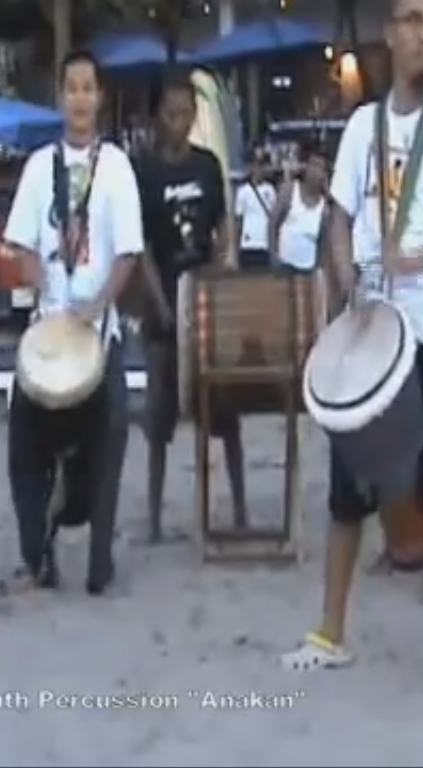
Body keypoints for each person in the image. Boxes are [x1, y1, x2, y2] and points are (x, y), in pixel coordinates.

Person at [279, 0, 423, 698]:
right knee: (348, 492)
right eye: (410, 20)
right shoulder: (363, 127)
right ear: (389, 34)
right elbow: (341, 219)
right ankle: (330, 633)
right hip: (373, 333)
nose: (422, 33)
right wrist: (347, 277)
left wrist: (419, 258)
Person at [4, 49, 142, 594]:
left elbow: (128, 253)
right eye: (72, 88)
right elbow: (19, 243)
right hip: (47, 330)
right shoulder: (40, 167)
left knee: (111, 434)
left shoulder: (117, 168)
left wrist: (100, 302)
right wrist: (35, 274)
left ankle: (99, 559)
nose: (80, 98)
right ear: (60, 97)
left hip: (98, 332)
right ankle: (37, 554)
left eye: (88, 88)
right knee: (22, 446)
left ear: (99, 97)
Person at [134, 70, 246, 544]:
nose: (179, 121)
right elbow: (139, 247)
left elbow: (223, 224)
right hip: (162, 304)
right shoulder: (144, 172)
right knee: (159, 417)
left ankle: (239, 508)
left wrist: (224, 264)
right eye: (171, 113)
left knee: (225, 411)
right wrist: (160, 304)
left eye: (186, 112)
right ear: (157, 117)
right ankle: (154, 517)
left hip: (206, 303)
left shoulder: (207, 166)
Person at [268, 141, 328, 274]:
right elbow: (273, 224)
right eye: (314, 165)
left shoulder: (325, 207)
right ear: (305, 167)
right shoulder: (289, 191)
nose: (317, 172)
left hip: (309, 270)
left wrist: (318, 269)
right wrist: (273, 256)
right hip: (284, 266)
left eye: (321, 168)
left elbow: (323, 243)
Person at [235, 146, 275, 270]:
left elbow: (275, 219)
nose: (260, 170)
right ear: (251, 167)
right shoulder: (243, 192)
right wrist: (236, 248)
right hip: (247, 245)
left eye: (263, 165)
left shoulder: (271, 190)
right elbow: (238, 221)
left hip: (265, 245)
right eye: (257, 165)